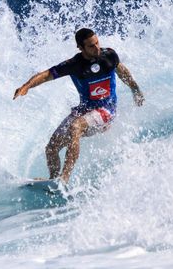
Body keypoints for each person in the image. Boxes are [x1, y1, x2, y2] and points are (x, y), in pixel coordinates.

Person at [13, 28, 144, 183]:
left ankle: (64, 179)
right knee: (51, 148)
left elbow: (122, 71)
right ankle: (54, 181)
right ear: (80, 48)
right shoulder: (74, 64)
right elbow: (47, 75)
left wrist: (135, 89)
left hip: (106, 110)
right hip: (84, 110)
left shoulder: (109, 55)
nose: (97, 48)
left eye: (97, 43)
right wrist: (26, 86)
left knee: (75, 126)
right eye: (91, 46)